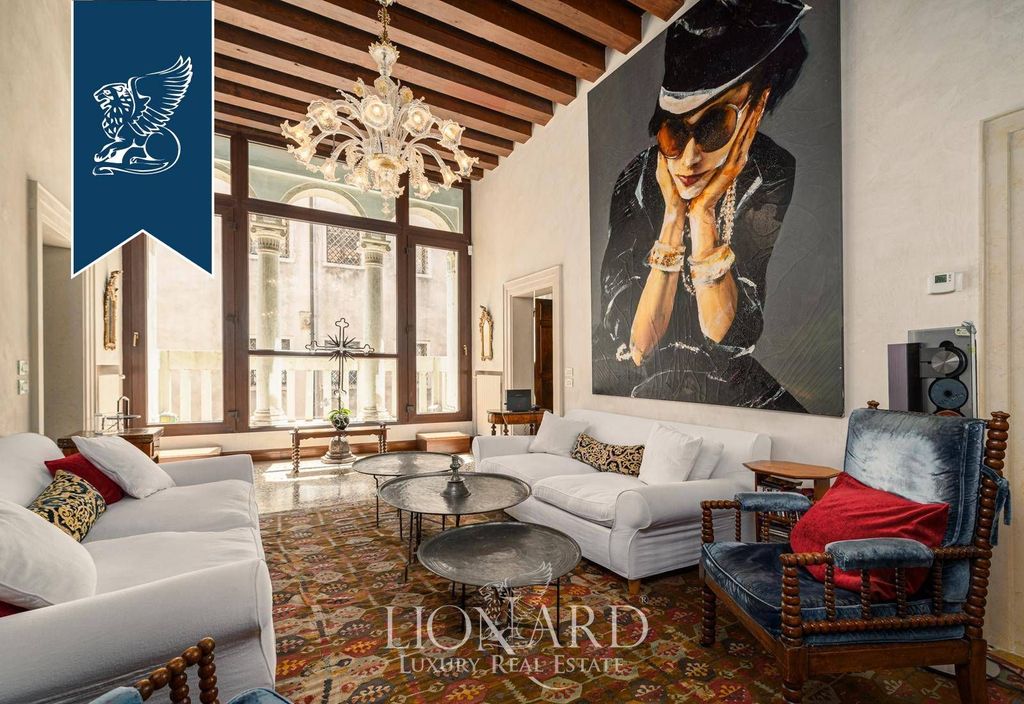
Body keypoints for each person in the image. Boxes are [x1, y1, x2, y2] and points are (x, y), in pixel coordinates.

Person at [593, 0, 811, 412]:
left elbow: (725, 334)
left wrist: (702, 213)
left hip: (719, 382)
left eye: (713, 126)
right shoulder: (635, 179)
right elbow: (639, 346)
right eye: (674, 133)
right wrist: (674, 216)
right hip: (633, 377)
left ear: (753, 111)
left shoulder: (770, 169)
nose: (690, 158)